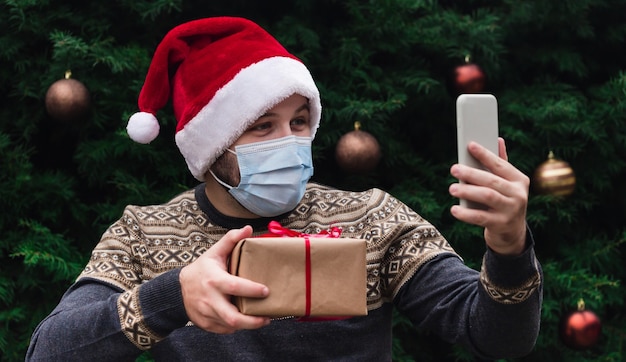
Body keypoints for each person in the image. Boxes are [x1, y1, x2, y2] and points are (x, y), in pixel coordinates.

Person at [26, 17, 542, 361]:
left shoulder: (374, 217)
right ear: (211, 147)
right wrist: (173, 295)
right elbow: (48, 350)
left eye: (299, 122)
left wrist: (509, 248)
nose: (290, 142)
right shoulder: (145, 232)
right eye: (261, 126)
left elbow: (496, 337)